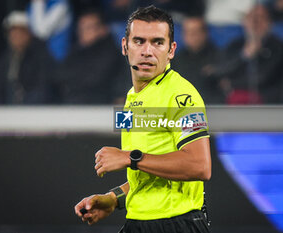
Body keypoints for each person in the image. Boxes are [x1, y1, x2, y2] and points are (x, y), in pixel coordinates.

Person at [74, 5, 212, 233]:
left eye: (158, 42)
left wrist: (130, 157)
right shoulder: (130, 99)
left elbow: (200, 166)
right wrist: (113, 198)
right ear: (124, 46)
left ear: (171, 50)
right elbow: (148, 177)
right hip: (138, 222)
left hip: (177, 224)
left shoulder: (182, 96)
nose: (147, 51)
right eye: (139, 41)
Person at [55, 9, 128, 104]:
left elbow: (94, 80)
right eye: (81, 28)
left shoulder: (111, 52)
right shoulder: (76, 51)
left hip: (102, 107)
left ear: (103, 29)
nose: (82, 32)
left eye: (88, 28)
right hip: (74, 105)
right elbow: (60, 76)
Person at [219, 4, 283, 104]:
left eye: (261, 18)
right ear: (244, 22)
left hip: (268, 104)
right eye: (252, 18)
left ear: (270, 24)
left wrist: (232, 83)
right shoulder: (234, 45)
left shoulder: (278, 47)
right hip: (231, 103)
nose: (256, 23)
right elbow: (221, 71)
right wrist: (244, 55)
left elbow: (265, 78)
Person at [0, 11, 54, 104]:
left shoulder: (41, 57)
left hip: (32, 111)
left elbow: (43, 89)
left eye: (20, 32)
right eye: (13, 32)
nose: (16, 36)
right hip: (6, 111)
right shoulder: (5, 59)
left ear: (28, 34)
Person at [173, 16, 224, 104]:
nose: (192, 36)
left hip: (212, 109)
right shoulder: (176, 59)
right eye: (188, 32)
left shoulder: (219, 57)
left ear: (205, 33)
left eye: (195, 32)